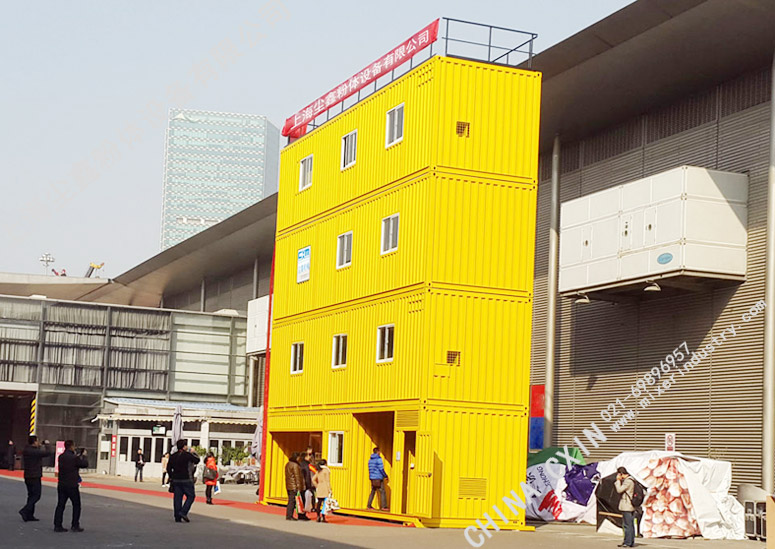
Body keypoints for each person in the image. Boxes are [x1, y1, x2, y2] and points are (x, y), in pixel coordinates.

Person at [53, 440, 88, 532]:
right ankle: (75, 524)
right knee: (76, 505)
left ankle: (57, 525)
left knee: (60, 505)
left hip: (62, 484)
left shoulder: (61, 457)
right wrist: (84, 456)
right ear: (72, 446)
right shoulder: (74, 458)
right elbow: (84, 464)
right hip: (72, 485)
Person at [19, 436, 52, 522]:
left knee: (31, 495)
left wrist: (39, 446)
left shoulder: (27, 450)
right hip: (35, 475)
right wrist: (47, 445)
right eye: (37, 441)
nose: (38, 443)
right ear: (34, 442)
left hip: (28, 475)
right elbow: (48, 453)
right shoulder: (34, 452)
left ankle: (29, 515)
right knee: (36, 495)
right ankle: (25, 510)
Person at [167, 440, 200, 523]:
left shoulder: (173, 456)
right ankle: (183, 512)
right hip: (186, 479)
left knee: (177, 498)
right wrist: (194, 452)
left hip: (176, 480)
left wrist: (171, 477)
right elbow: (197, 460)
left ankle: (177, 516)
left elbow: (168, 468)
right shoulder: (187, 455)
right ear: (184, 446)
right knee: (191, 496)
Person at [615, 466, 636, 548]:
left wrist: (618, 481)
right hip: (630, 505)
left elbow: (619, 490)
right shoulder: (631, 480)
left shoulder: (628, 481)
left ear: (621, 474)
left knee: (627, 525)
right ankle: (630, 541)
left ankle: (628, 542)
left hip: (627, 505)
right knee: (630, 524)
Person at [284, 452, 304, 521]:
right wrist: (299, 487)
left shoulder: (288, 464)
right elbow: (297, 477)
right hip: (294, 486)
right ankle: (290, 516)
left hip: (288, 485)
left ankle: (289, 515)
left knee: (290, 501)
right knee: (292, 501)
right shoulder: (295, 465)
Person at [367, 447, 388, 511]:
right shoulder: (379, 459)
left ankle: (369, 505)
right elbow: (381, 469)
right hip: (378, 478)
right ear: (378, 452)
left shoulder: (370, 460)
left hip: (372, 478)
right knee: (382, 491)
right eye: (379, 451)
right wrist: (385, 475)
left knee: (373, 491)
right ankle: (384, 506)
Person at [312, 459, 332, 523]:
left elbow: (313, 479)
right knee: (324, 504)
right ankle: (323, 517)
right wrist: (330, 489)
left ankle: (318, 516)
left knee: (319, 503)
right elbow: (327, 481)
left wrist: (317, 485)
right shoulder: (326, 470)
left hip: (320, 487)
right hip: (325, 487)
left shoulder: (319, 470)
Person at [298, 451, 315, 520]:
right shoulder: (307, 465)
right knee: (305, 500)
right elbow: (307, 476)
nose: (310, 457)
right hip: (305, 485)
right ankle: (303, 515)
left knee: (300, 500)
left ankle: (300, 514)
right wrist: (309, 486)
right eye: (308, 456)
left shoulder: (300, 464)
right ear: (305, 457)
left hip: (300, 484)